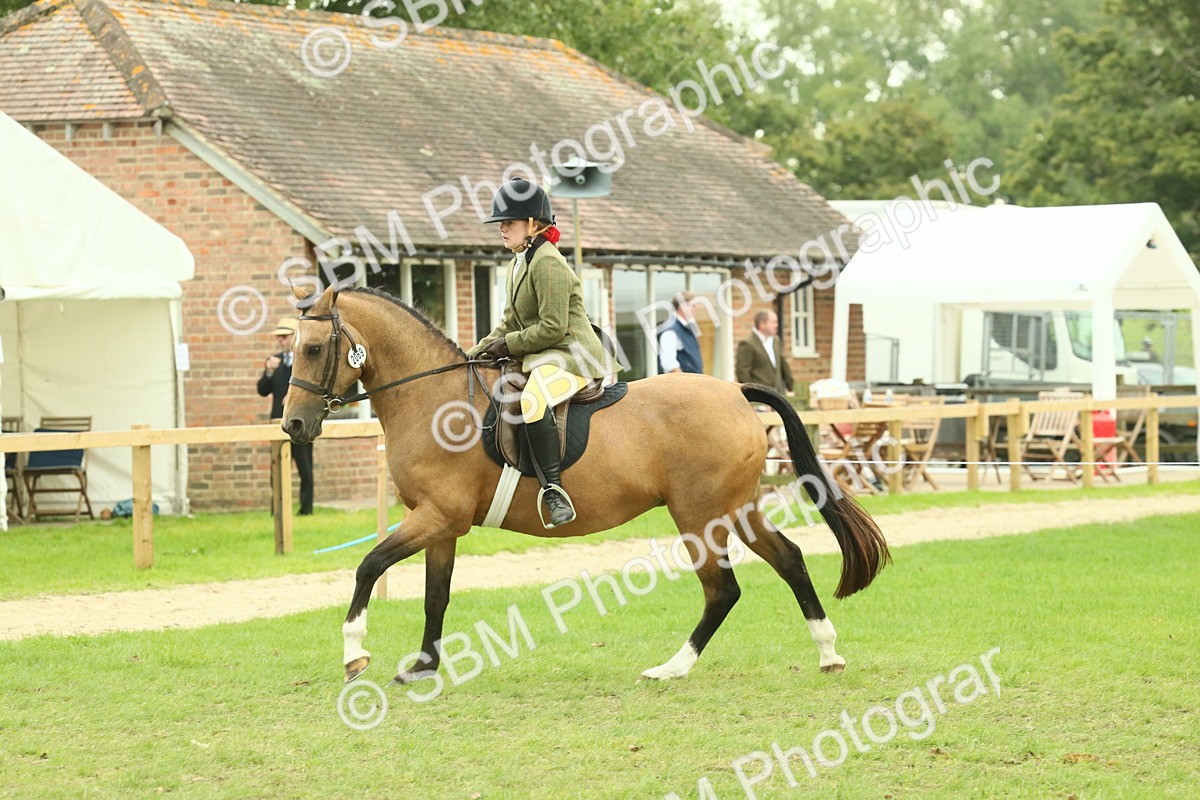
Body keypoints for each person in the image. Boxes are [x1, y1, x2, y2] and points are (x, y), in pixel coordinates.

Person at [468, 177, 620, 528]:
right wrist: (473, 353)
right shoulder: (518, 263)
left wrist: (507, 346)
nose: (502, 229)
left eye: (509, 222)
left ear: (533, 225)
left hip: (574, 354)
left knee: (532, 400)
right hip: (546, 354)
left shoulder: (548, 262)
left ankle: (553, 490)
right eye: (500, 223)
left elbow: (552, 327)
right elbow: (508, 322)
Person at [257, 317, 314, 516]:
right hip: (278, 422)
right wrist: (269, 372)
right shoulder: (274, 361)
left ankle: (306, 509)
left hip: (300, 421)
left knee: (305, 467)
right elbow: (262, 390)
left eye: (284, 336)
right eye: (278, 337)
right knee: (277, 469)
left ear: (294, 336)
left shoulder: (304, 361)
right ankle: (278, 509)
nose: (280, 340)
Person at [736, 310, 794, 394]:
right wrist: (752, 394)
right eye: (773, 322)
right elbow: (742, 373)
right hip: (760, 398)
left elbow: (783, 364)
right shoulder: (747, 343)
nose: (776, 325)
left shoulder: (776, 340)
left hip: (778, 395)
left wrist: (790, 386)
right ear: (762, 324)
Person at [657, 292, 704, 374]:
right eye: (692, 305)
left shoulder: (688, 328)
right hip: (683, 383)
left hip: (694, 381)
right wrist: (685, 383)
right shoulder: (670, 330)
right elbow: (669, 364)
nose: (695, 309)